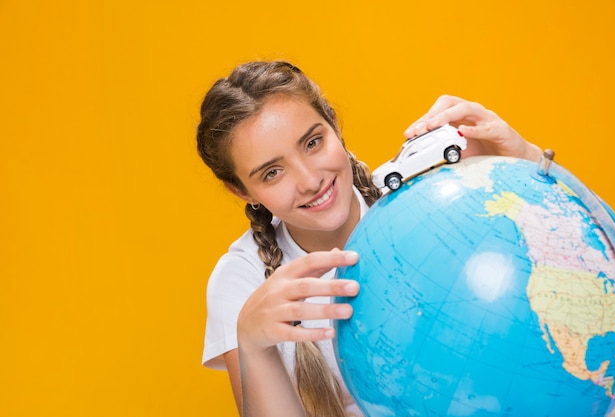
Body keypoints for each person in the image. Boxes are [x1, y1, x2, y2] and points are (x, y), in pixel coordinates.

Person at [196, 61, 543, 417]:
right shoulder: (242, 278)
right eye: (272, 172)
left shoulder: (425, 198)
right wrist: (253, 347)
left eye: (313, 143)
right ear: (241, 191)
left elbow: (567, 284)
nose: (310, 180)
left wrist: (525, 160)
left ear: (333, 122)